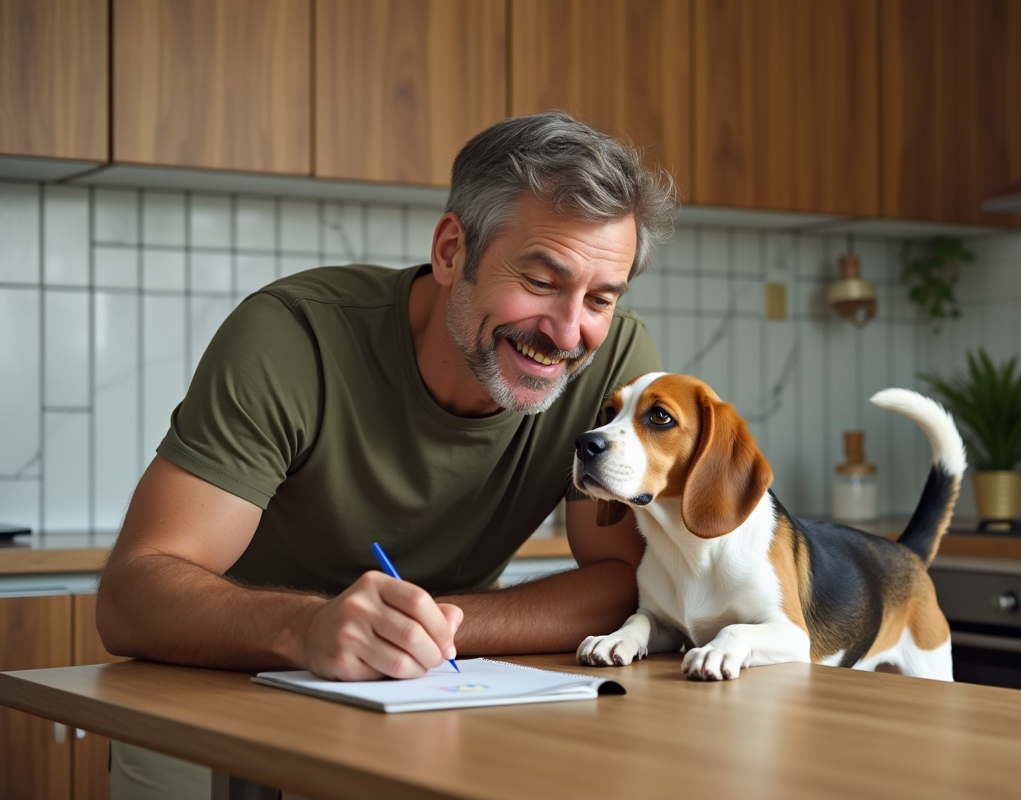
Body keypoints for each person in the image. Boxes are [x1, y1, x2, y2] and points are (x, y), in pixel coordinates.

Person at [94, 111, 677, 798]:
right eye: (542, 282)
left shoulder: (615, 371)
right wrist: (309, 628)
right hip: (215, 684)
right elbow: (131, 596)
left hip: (431, 686)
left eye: (600, 299)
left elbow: (626, 578)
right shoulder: (292, 337)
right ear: (452, 250)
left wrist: (429, 628)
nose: (569, 332)